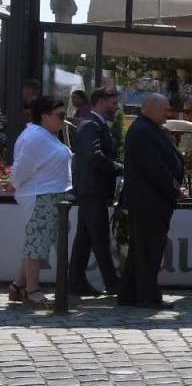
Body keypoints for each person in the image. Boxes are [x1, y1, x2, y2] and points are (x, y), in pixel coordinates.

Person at [118, 94, 182, 308]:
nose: (168, 113)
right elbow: (154, 168)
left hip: (151, 201)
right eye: (164, 109)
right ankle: (147, 296)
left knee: (141, 250)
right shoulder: (143, 131)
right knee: (149, 251)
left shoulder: (149, 128)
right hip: (149, 201)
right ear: (149, 108)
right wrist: (174, 189)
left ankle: (129, 293)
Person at [8, 97, 72, 307]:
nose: (64, 120)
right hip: (40, 196)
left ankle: (18, 286)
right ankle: (31, 290)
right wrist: (14, 183)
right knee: (36, 245)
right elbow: (21, 168)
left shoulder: (45, 135)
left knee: (38, 242)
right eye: (60, 116)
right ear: (44, 116)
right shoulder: (35, 138)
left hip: (49, 195)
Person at [67, 88, 123, 297]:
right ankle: (113, 283)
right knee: (99, 237)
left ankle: (76, 281)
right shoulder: (91, 124)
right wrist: (119, 167)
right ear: (100, 102)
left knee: (85, 237)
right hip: (92, 190)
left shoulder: (96, 124)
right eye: (113, 102)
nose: (116, 107)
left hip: (92, 190)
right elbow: (95, 155)